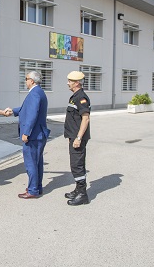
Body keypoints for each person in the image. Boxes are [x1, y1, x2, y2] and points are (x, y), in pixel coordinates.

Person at [12, 71, 50, 199]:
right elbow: (26, 108)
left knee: (31, 163)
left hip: (33, 135)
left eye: (26, 79)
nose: (25, 81)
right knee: (37, 162)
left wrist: (26, 133)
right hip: (39, 134)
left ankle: (33, 190)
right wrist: (13, 111)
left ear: (32, 81)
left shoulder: (34, 94)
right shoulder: (39, 92)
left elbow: (32, 114)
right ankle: (37, 187)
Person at [64, 71, 91, 206]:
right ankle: (77, 189)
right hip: (73, 136)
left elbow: (85, 119)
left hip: (77, 138)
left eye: (70, 81)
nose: (68, 83)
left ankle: (82, 195)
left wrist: (79, 138)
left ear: (77, 83)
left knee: (77, 165)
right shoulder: (74, 96)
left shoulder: (82, 98)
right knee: (75, 164)